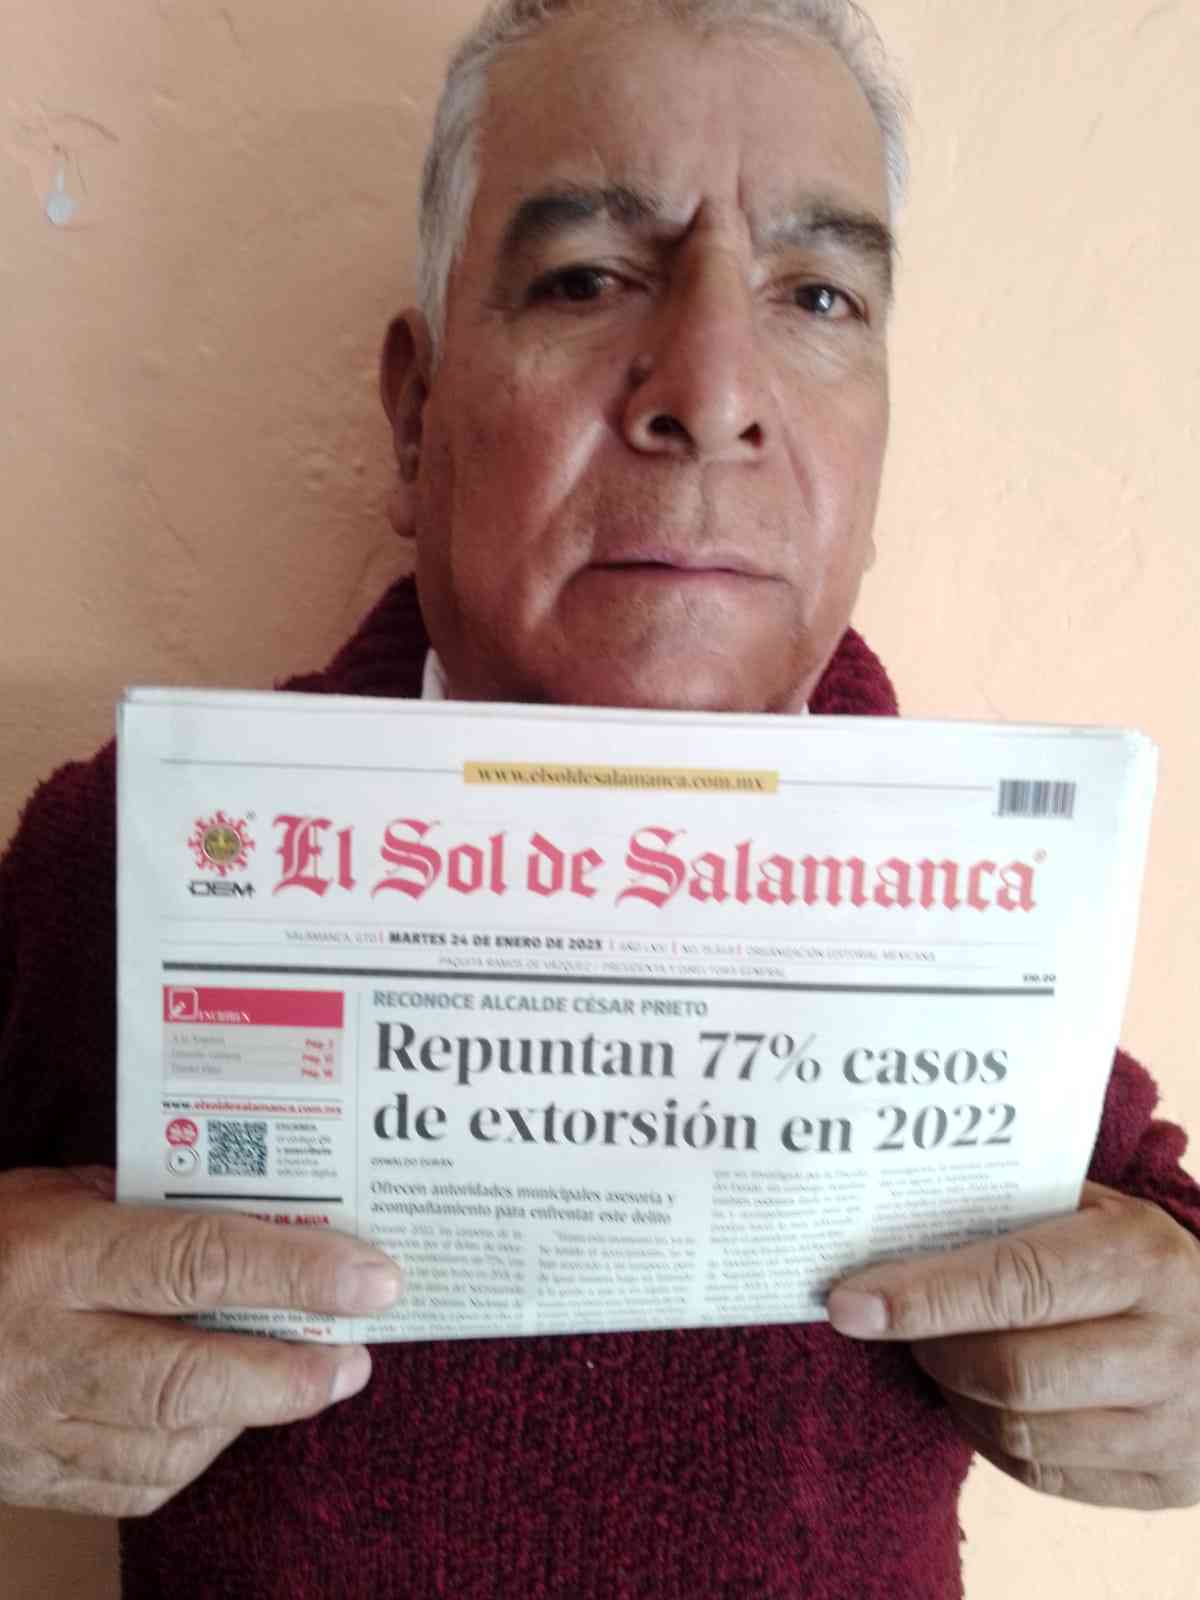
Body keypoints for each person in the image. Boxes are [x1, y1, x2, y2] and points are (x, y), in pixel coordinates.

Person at [2, 0, 1198, 1593]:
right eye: (584, 277)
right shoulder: (134, 857)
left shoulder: (982, 902)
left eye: (818, 294)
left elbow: (1156, 1234)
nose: (710, 389)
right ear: (417, 414)